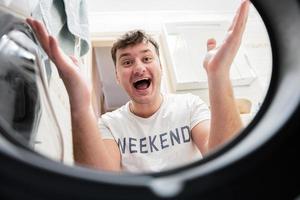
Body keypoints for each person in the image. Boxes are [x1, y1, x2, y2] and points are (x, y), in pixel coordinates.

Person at [26, 0, 249, 173]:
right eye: (127, 62)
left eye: (147, 58)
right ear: (117, 76)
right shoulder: (110, 124)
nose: (138, 68)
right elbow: (101, 183)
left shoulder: (189, 106)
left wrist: (218, 75)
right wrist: (79, 100)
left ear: (160, 66)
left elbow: (224, 156)